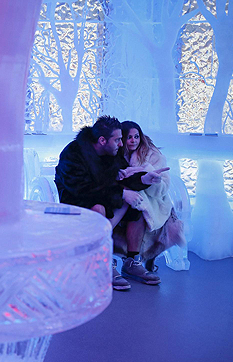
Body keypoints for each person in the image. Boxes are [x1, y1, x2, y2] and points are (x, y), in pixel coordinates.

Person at [54, 115, 165, 291]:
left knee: (138, 203)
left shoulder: (111, 152)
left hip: (105, 195)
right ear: (102, 140)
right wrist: (121, 194)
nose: (122, 144)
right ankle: (102, 261)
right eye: (118, 140)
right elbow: (81, 189)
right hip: (77, 200)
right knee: (98, 209)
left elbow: (124, 176)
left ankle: (132, 262)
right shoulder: (73, 153)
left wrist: (144, 178)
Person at [117, 121, 186, 272]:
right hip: (127, 197)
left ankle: (138, 259)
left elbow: (163, 187)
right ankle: (131, 259)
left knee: (140, 205)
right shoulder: (117, 152)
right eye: (129, 137)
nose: (133, 140)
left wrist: (148, 175)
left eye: (136, 136)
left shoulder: (152, 155)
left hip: (155, 199)